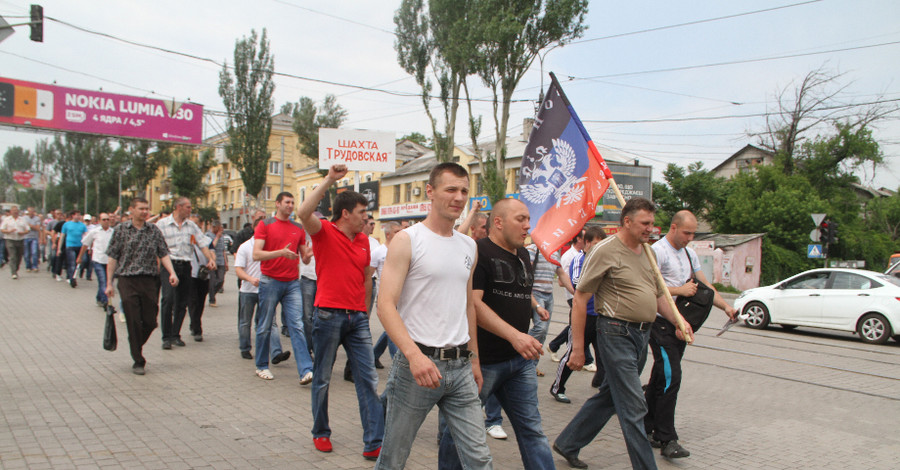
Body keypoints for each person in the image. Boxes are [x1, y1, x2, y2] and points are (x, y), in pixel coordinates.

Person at [553, 198, 693, 470]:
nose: (650, 229)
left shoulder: (647, 251)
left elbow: (657, 294)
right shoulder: (605, 250)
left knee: (609, 396)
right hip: (615, 332)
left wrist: (678, 319)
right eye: (645, 224)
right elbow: (581, 299)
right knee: (633, 406)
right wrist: (579, 348)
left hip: (642, 335)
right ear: (626, 222)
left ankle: (568, 442)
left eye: (652, 224)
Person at [375, 162, 490, 469]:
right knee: (393, 458)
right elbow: (385, 304)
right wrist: (414, 356)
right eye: (451, 189)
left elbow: (468, 305)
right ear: (431, 191)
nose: (459, 197)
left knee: (479, 458)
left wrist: (474, 358)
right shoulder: (407, 240)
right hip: (416, 369)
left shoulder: (468, 245)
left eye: (464, 191)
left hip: (461, 368)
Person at [440, 198, 555, 470]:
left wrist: (536, 306)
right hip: (482, 364)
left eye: (529, 219)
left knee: (532, 431)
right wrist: (515, 335)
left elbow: (520, 293)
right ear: (499, 222)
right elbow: (474, 304)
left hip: (519, 363)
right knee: (458, 433)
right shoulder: (478, 251)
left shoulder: (524, 254)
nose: (528, 226)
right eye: (521, 219)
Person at [298, 164, 383, 460]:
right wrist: (330, 180)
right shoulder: (324, 232)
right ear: (345, 213)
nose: (367, 219)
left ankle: (374, 441)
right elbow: (303, 212)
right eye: (362, 213)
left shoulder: (364, 242)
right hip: (327, 315)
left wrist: (365, 309)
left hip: (357, 318)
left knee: (368, 379)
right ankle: (320, 432)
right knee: (321, 378)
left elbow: (365, 278)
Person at [644, 210, 736, 459]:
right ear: (673, 228)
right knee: (672, 377)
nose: (690, 237)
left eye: (694, 233)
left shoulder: (689, 253)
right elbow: (649, 289)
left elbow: (705, 287)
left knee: (661, 376)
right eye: (687, 232)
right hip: (661, 324)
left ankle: (646, 424)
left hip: (682, 326)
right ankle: (667, 438)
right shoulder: (657, 251)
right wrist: (680, 290)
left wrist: (727, 307)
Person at [105, 197, 180, 375]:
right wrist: (109, 283)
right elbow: (112, 257)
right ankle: (138, 359)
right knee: (132, 319)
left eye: (147, 208)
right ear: (131, 210)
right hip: (127, 279)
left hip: (149, 280)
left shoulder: (153, 230)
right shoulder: (121, 230)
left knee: (150, 321)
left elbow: (163, 253)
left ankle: (136, 343)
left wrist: (172, 272)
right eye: (141, 208)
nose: (145, 212)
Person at [252, 191, 314, 383]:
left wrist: (310, 253)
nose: (290, 205)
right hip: (270, 280)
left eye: (293, 202)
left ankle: (306, 370)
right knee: (264, 325)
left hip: (292, 282)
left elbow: (303, 257)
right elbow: (256, 254)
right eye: (287, 202)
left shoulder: (298, 228)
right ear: (278, 204)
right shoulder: (265, 225)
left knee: (297, 325)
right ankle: (262, 366)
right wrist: (280, 253)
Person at [550, 226, 607, 404]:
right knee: (573, 354)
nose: (598, 248)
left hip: (601, 316)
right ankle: (557, 387)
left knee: (605, 355)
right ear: (587, 243)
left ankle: (602, 385)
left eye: (601, 244)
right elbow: (576, 283)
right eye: (595, 243)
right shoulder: (579, 260)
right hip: (583, 315)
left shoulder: (605, 261)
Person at [156, 197, 216, 349]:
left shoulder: (191, 226)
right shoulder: (162, 224)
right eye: (188, 207)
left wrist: (210, 259)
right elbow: (156, 247)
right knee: (168, 299)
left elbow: (203, 243)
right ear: (178, 207)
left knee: (182, 302)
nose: (190, 210)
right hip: (169, 265)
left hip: (185, 265)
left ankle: (176, 335)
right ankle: (166, 337)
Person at [234, 236, 288, 361]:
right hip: (248, 291)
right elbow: (238, 270)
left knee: (271, 322)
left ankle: (276, 352)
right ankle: (245, 348)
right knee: (245, 321)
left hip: (267, 291)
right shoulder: (245, 247)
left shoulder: (272, 247)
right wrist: (250, 279)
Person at [371, 220, 402, 369]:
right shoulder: (378, 252)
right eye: (397, 231)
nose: (400, 234)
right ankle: (397, 364)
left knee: (390, 329)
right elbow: (368, 275)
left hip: (401, 298)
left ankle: (374, 355)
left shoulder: (403, 250)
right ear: (388, 234)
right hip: (385, 298)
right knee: (392, 330)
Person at [78, 213, 114, 308]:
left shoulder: (113, 232)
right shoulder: (95, 232)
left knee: (107, 281)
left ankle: (99, 298)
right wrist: (80, 257)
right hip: (98, 260)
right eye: (104, 220)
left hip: (110, 262)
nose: (106, 221)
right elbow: (85, 244)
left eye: (107, 219)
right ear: (99, 221)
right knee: (103, 281)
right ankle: (106, 301)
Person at [59, 210, 88, 287]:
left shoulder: (82, 225)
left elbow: (86, 236)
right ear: (72, 216)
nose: (79, 216)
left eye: (79, 215)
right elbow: (62, 236)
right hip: (70, 246)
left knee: (84, 260)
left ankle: (74, 273)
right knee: (72, 262)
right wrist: (59, 248)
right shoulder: (66, 224)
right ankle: (72, 278)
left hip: (80, 246)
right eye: (77, 215)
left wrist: (89, 246)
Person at [0, 206, 30, 279]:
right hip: (10, 239)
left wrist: (23, 232)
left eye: (16, 210)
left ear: (18, 211)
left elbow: (28, 229)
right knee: (12, 256)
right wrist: (9, 231)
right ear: (10, 211)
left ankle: (16, 269)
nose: (15, 212)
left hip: (20, 239)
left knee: (19, 257)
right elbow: (2, 229)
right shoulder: (7, 220)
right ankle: (13, 272)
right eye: (13, 210)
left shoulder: (22, 219)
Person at [206, 220, 228, 308]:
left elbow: (223, 250)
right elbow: (210, 247)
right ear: (214, 227)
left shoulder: (221, 236)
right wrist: (217, 237)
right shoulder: (207, 235)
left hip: (220, 260)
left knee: (221, 280)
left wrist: (226, 261)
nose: (220, 230)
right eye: (219, 229)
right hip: (211, 260)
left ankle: (212, 292)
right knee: (212, 281)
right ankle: (212, 299)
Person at [23, 207, 42, 272]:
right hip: (26, 237)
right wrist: (31, 227)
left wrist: (29, 225)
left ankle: (35, 266)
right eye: (29, 211)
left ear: (34, 212)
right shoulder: (24, 218)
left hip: (34, 237)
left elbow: (37, 228)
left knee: (34, 252)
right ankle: (28, 266)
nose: (30, 213)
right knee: (27, 253)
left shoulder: (37, 219)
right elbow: (23, 228)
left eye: (32, 211)